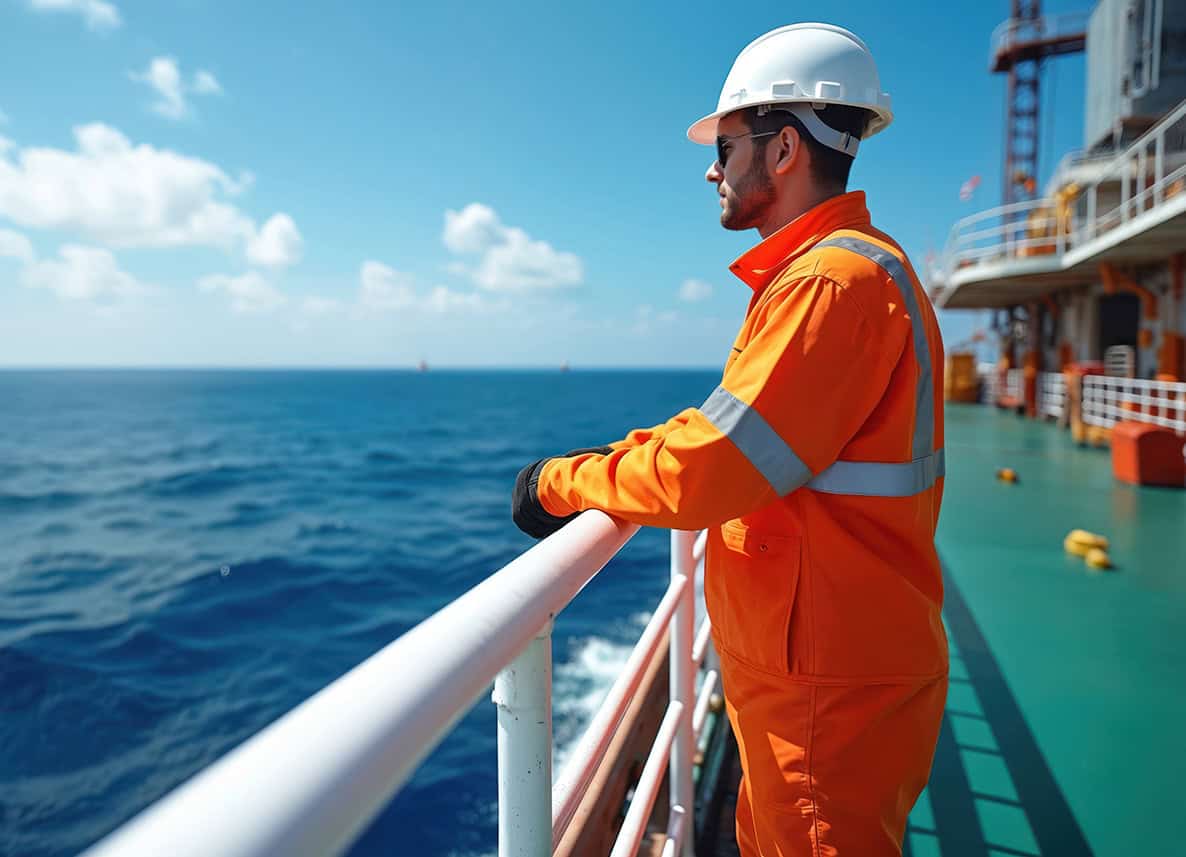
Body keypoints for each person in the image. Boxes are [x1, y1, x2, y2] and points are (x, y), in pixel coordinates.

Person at [512, 23, 947, 857]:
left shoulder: (830, 283)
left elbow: (709, 470)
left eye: (726, 144)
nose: (712, 168)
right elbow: (725, 429)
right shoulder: (839, 272)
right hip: (826, 673)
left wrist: (561, 484)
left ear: (784, 149)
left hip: (825, 694)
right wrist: (613, 460)